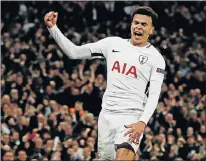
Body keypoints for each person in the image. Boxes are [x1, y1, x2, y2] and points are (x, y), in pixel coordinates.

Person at [44, 6, 165, 160]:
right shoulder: (112, 44)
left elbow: (154, 94)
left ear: (151, 30)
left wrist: (142, 122)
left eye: (144, 24)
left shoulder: (156, 58)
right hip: (106, 116)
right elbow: (74, 52)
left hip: (131, 116)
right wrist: (53, 28)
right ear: (131, 25)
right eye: (136, 23)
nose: (138, 27)